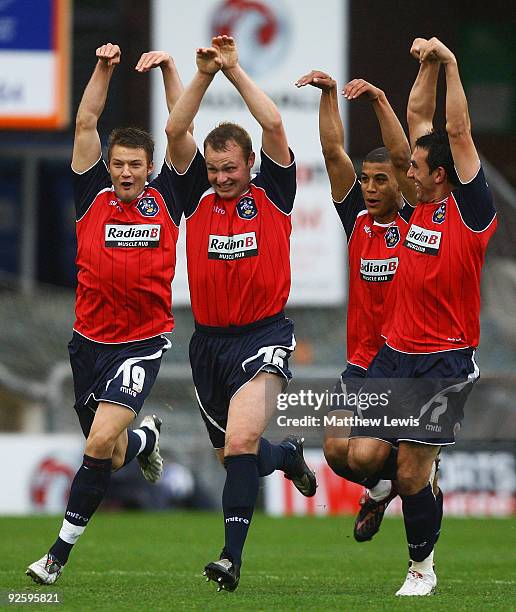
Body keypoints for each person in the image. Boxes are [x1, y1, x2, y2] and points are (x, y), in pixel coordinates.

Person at [26, 44, 186, 585]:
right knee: (112, 454)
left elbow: (180, 131)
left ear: (148, 169)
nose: (124, 173)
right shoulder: (90, 193)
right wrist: (103, 67)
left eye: (134, 166)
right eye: (117, 164)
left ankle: (56, 557)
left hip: (142, 342)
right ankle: (146, 439)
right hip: (88, 343)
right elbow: (87, 119)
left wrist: (169, 70)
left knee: (95, 446)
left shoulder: (167, 198)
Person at [166, 35, 316, 593]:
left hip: (263, 335)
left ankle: (229, 558)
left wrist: (232, 70)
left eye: (231, 168)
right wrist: (200, 75)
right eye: (214, 170)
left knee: (238, 448)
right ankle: (290, 456)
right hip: (207, 344)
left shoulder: (274, 191)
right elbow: (174, 134)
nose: (222, 178)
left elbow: (275, 124)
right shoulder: (195, 198)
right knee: (239, 454)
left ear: (251, 164)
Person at [347, 37, 497, 596]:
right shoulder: (413, 209)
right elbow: (417, 113)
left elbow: (455, 133)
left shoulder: (469, 211)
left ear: (441, 175)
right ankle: (393, 488)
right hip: (394, 352)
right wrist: (428, 65)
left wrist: (451, 62)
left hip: (444, 360)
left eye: (414, 166)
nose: (404, 172)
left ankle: (421, 569)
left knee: (410, 472)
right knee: (363, 456)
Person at [295, 72, 418, 541]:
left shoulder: (413, 221)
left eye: (380, 180)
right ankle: (384, 487)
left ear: (400, 183)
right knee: (333, 451)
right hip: (361, 360)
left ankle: (397, 480)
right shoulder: (358, 222)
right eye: (365, 179)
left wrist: (381, 98)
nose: (369, 187)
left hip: (402, 360)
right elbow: (331, 154)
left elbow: (404, 155)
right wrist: (330, 96)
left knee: (364, 454)